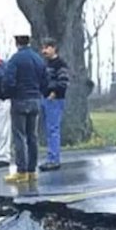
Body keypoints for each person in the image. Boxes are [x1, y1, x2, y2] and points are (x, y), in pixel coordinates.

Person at [3, 32, 47, 183]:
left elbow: (9, 80)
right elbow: (45, 80)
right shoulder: (38, 59)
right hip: (35, 100)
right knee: (32, 136)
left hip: (20, 100)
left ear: (17, 43)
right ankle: (32, 170)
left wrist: (9, 94)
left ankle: (21, 171)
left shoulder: (15, 59)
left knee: (19, 136)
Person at [40, 37, 70, 171]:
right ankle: (50, 157)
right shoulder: (46, 64)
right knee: (48, 129)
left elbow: (64, 82)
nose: (44, 51)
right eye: (43, 48)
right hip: (45, 98)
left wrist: (54, 93)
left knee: (53, 130)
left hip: (55, 100)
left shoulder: (60, 64)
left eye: (47, 48)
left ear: (54, 48)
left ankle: (54, 159)